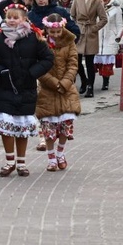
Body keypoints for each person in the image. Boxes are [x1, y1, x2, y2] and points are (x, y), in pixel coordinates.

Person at [0, 4, 54, 177]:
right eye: (9, 17)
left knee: (22, 127)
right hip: (5, 88)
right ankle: (9, 162)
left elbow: (48, 58)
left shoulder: (33, 37)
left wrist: (32, 73)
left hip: (26, 88)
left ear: (24, 19)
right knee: (7, 127)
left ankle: (21, 163)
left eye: (16, 17)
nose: (12, 20)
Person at [36, 14, 81, 172]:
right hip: (48, 89)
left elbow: (73, 63)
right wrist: (54, 83)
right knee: (48, 127)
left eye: (58, 31)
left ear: (63, 28)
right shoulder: (40, 43)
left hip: (66, 89)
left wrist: (66, 82)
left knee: (64, 126)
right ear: (47, 29)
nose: (55, 34)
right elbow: (38, 66)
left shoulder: (69, 42)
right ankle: (51, 157)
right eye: (51, 31)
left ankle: (60, 153)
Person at [70, 0, 108, 98]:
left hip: (91, 32)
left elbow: (104, 19)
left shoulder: (96, 1)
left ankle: (90, 86)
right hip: (79, 31)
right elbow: (72, 15)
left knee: (90, 62)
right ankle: (83, 79)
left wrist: (94, 28)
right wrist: (76, 27)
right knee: (76, 60)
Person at [95, 0, 123, 91]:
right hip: (98, 37)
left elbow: (120, 25)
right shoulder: (96, 7)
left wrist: (119, 39)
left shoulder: (116, 9)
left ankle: (105, 82)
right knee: (96, 61)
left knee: (107, 62)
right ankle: (91, 83)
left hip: (110, 37)